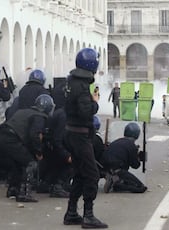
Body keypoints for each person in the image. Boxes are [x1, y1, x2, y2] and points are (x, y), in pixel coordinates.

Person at [62, 48, 108, 228]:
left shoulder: (71, 81)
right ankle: (88, 214)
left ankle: (71, 212)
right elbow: (85, 111)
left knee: (80, 174)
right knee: (92, 174)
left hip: (71, 132)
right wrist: (94, 103)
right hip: (80, 134)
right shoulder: (81, 86)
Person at [0, 94, 55, 202]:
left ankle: (13, 188)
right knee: (31, 163)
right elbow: (34, 135)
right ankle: (24, 193)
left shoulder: (23, 111)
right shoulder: (39, 116)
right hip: (12, 139)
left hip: (2, 136)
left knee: (18, 163)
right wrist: (38, 151)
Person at [101, 122, 147, 193]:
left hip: (104, 167)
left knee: (126, 180)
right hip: (118, 169)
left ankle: (116, 180)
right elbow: (135, 165)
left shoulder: (117, 141)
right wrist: (137, 156)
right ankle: (116, 183)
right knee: (141, 187)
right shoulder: (131, 146)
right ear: (137, 134)